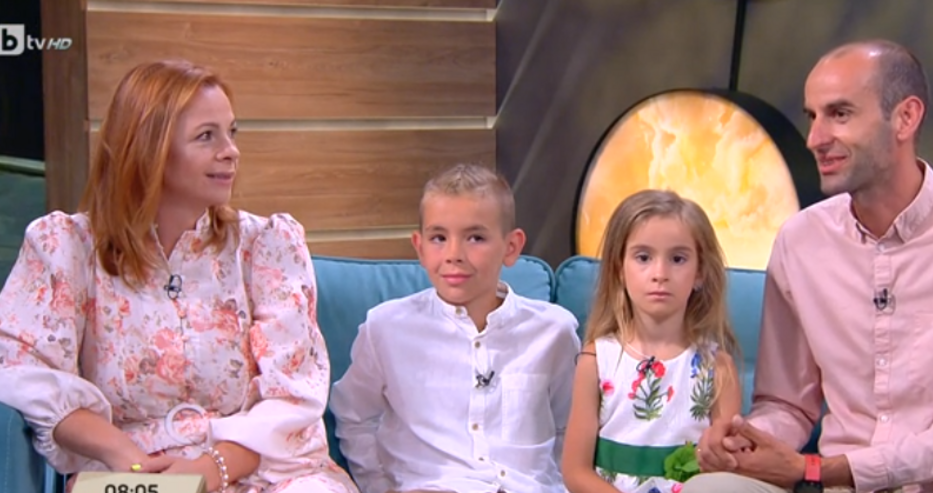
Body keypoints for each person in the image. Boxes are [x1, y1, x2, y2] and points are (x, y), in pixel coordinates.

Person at [0, 59, 358, 493]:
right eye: (206, 136)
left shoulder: (267, 245)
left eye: (232, 132)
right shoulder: (67, 247)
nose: (231, 151)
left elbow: (292, 394)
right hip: (135, 472)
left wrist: (210, 470)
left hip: (261, 468)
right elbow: (18, 366)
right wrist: (123, 455)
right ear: (148, 148)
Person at [683, 39, 933, 493]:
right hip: (832, 484)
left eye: (840, 114)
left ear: (905, 117)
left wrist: (818, 470)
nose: (815, 139)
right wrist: (745, 442)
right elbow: (787, 404)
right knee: (712, 488)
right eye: (812, 117)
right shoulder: (800, 241)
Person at [329, 163, 581, 493]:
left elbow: (571, 429)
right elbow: (353, 416)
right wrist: (380, 486)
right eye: (438, 238)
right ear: (419, 247)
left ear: (511, 247)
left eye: (475, 238)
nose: (453, 254)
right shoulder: (385, 328)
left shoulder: (554, 331)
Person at [561, 189, 742, 493]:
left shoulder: (718, 368)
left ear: (700, 272)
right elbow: (575, 472)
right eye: (643, 257)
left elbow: (728, 470)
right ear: (619, 269)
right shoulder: (596, 361)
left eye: (677, 259)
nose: (660, 274)